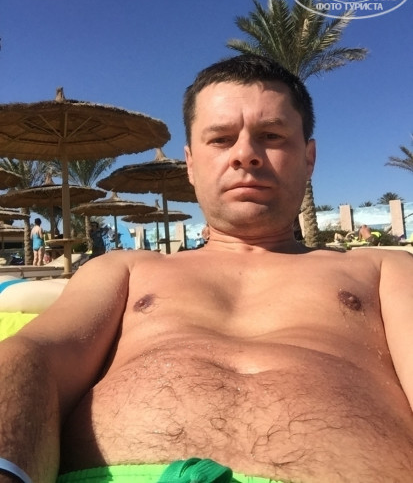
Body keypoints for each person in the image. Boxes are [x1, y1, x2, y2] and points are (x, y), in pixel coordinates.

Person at [0, 55, 412, 483]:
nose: (245, 155)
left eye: (271, 136)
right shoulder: (127, 268)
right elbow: (37, 356)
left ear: (309, 158)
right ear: (191, 164)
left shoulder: (383, 269)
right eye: (221, 139)